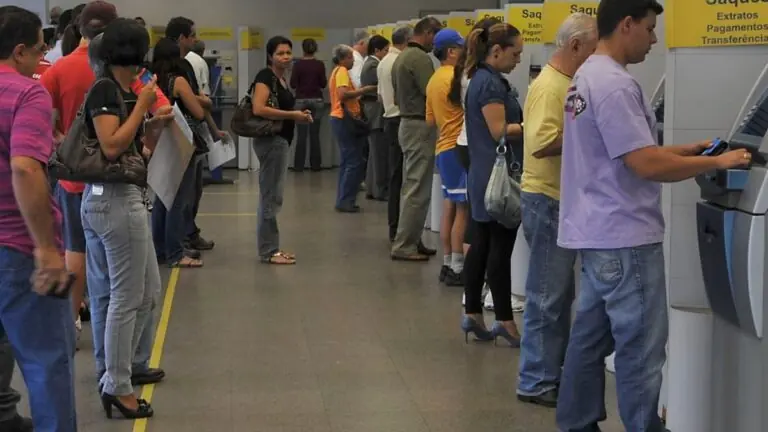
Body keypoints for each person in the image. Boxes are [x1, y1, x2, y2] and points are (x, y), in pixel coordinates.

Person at [554, 1, 751, 431]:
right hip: (625, 237)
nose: (654, 40)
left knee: (588, 341)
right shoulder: (616, 85)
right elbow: (644, 166)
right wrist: (718, 163)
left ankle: (576, 422)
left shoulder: (587, 76)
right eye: (649, 29)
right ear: (626, 25)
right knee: (640, 348)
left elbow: (623, 152)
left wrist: (685, 150)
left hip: (594, 232)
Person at [81, 17, 172, 419]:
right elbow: (112, 146)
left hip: (127, 196)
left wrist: (149, 128)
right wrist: (143, 109)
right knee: (125, 297)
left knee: (148, 291)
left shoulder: (122, 92)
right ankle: (117, 385)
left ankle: (123, 369)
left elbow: (133, 149)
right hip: (113, 203)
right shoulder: (105, 90)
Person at [0, 6, 77, 431]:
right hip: (15, 248)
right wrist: (46, 249)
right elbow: (25, 168)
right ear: (19, 52)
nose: (41, 59)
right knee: (46, 363)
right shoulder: (27, 93)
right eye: (38, 50)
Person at [516, 12, 597, 409]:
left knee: (557, 295)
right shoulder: (552, 87)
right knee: (547, 296)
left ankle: (549, 373)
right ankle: (536, 380)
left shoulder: (565, 82)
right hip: (548, 200)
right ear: (575, 45)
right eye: (595, 45)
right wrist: (591, 130)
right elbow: (542, 142)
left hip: (556, 200)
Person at [461, 22, 525, 347]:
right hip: (497, 180)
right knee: (500, 247)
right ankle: (504, 320)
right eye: (515, 54)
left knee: (483, 244)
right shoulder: (489, 85)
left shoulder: (483, 79)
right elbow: (499, 129)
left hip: (483, 174)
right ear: (496, 51)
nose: (518, 60)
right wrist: (535, 126)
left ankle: (473, 312)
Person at [251, 36, 312, 264]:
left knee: (273, 196)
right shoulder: (265, 77)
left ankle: (271, 247)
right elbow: (259, 108)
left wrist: (298, 117)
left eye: (288, 52)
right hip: (272, 142)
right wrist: (292, 115)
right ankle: (269, 250)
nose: (285, 57)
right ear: (270, 56)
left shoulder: (281, 79)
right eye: (280, 53)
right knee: (271, 197)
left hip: (281, 140)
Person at [151, 37, 209, 268]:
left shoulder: (150, 80)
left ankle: (161, 248)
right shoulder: (179, 81)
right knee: (178, 199)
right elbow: (199, 112)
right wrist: (201, 100)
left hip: (159, 141)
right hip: (182, 142)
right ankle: (176, 252)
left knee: (161, 197)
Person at [390, 16, 442, 261]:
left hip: (407, 123)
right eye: (437, 37)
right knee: (417, 188)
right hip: (419, 125)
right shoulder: (420, 58)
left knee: (411, 186)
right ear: (428, 33)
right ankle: (405, 244)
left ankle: (411, 238)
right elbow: (430, 91)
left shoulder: (402, 57)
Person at [166, 16, 219, 253]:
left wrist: (213, 130)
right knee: (183, 193)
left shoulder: (186, 64)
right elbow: (200, 104)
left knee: (187, 191)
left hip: (186, 134)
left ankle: (186, 233)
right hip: (182, 136)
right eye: (192, 35)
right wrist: (199, 100)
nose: (196, 40)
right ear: (181, 38)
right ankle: (178, 241)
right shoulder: (182, 66)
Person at [425, 28, 467, 287]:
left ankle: (448, 262)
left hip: (442, 147)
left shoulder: (433, 79)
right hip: (458, 149)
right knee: (464, 209)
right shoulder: (457, 78)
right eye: (462, 48)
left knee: (449, 206)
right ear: (451, 51)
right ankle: (459, 267)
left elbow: (430, 120)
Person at [329, 44, 377, 213]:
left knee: (347, 160)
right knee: (354, 161)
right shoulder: (342, 72)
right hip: (344, 118)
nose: (352, 60)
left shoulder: (336, 71)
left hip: (339, 118)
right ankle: (346, 200)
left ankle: (344, 198)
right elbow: (342, 94)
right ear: (342, 59)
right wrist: (363, 90)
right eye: (350, 57)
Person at [377, 25, 412, 242]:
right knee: (405, 178)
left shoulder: (384, 62)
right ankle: (402, 230)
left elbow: (382, 96)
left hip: (389, 118)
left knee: (395, 176)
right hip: (401, 119)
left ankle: (395, 227)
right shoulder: (401, 63)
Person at [290, 38, 327, 172]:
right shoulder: (319, 65)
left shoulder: (298, 65)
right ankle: (315, 165)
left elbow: (293, 84)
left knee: (301, 135)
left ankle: (298, 166)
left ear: (303, 49)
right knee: (315, 134)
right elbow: (323, 84)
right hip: (317, 100)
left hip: (301, 100)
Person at [361, 35, 390, 201]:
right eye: (385, 50)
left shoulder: (369, 64)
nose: (387, 54)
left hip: (372, 112)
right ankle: (380, 189)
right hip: (376, 113)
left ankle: (372, 188)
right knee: (379, 154)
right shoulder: (374, 66)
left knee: (374, 154)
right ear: (377, 50)